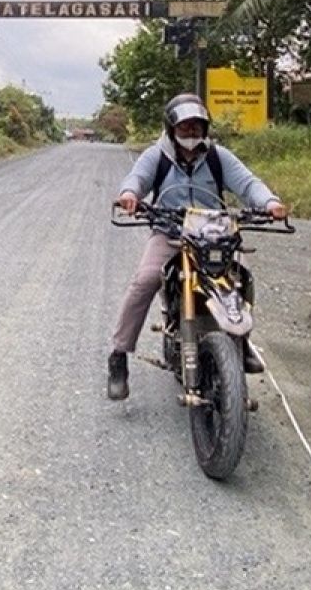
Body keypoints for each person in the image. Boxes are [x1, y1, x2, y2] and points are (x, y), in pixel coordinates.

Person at [108, 93, 287, 401]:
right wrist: (129, 195)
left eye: (197, 126)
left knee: (241, 280)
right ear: (171, 127)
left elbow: (247, 184)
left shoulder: (218, 157)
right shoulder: (157, 155)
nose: (191, 133)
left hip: (213, 235)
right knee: (147, 279)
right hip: (171, 234)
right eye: (185, 126)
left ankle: (241, 343)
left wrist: (269, 202)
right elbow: (136, 179)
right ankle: (119, 355)